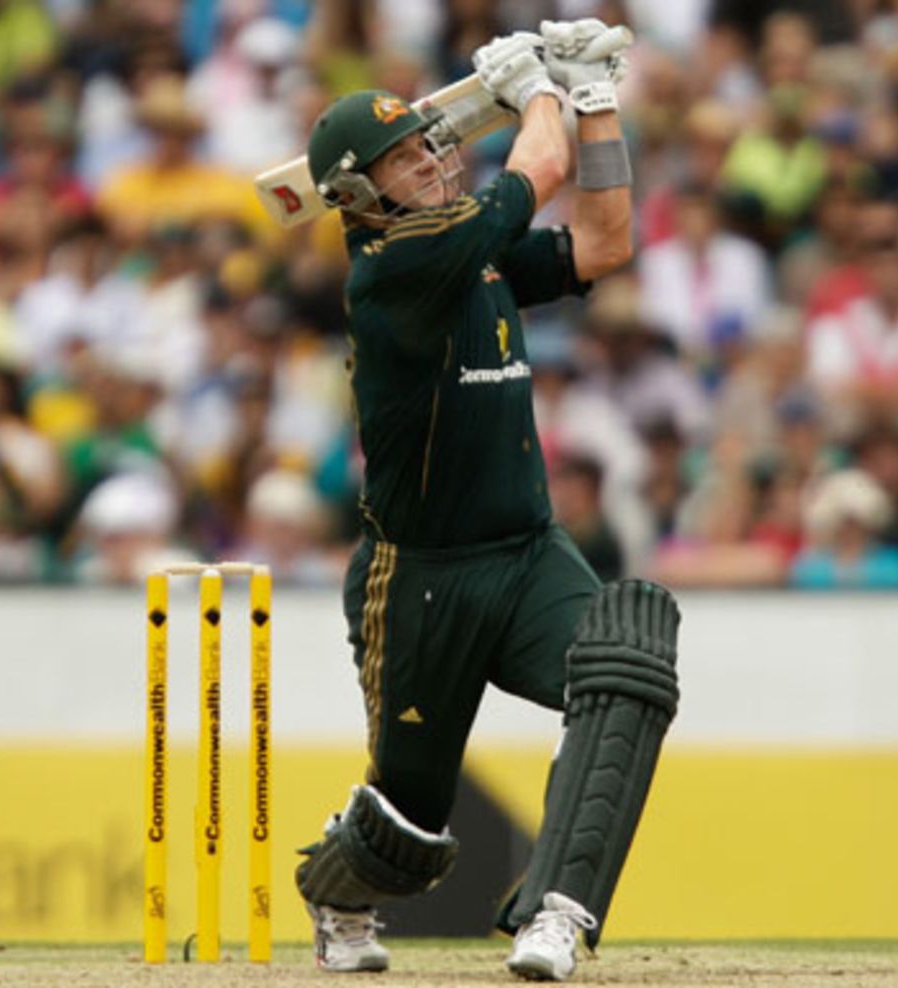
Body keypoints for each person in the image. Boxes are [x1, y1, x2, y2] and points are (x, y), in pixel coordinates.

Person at [291, 19, 681, 983]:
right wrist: (543, 92)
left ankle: (557, 913)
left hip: (526, 550)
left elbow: (606, 239)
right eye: (399, 163)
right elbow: (535, 171)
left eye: (425, 144)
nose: (428, 164)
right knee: (412, 822)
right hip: (419, 576)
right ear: (354, 196)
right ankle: (340, 890)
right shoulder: (398, 269)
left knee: (627, 660)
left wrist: (597, 105)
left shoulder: (475, 251)